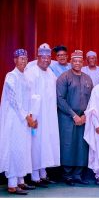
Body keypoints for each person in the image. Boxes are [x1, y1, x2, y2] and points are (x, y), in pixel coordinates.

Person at [0, 49, 36, 195]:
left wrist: (31, 115)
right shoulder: (11, 76)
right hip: (14, 120)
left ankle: (21, 181)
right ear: (15, 60)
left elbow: (28, 99)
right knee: (14, 150)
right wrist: (26, 116)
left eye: (25, 58)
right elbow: (13, 100)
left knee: (23, 149)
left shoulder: (25, 77)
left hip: (25, 120)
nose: (23, 61)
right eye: (21, 58)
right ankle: (12, 184)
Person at [25, 43, 60, 187]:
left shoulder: (50, 73)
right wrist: (32, 116)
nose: (46, 60)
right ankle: (34, 175)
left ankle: (43, 173)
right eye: (43, 57)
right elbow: (28, 95)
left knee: (46, 143)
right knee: (36, 144)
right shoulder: (31, 72)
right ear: (38, 57)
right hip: (37, 116)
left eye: (48, 57)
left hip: (49, 115)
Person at [56, 50, 93, 186]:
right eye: (75, 61)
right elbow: (60, 99)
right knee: (68, 145)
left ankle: (78, 175)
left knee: (81, 146)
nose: (77, 63)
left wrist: (85, 115)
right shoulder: (64, 77)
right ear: (71, 62)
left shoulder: (88, 78)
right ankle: (67, 175)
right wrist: (73, 115)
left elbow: (92, 100)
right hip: (67, 117)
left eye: (79, 61)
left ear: (83, 63)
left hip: (83, 118)